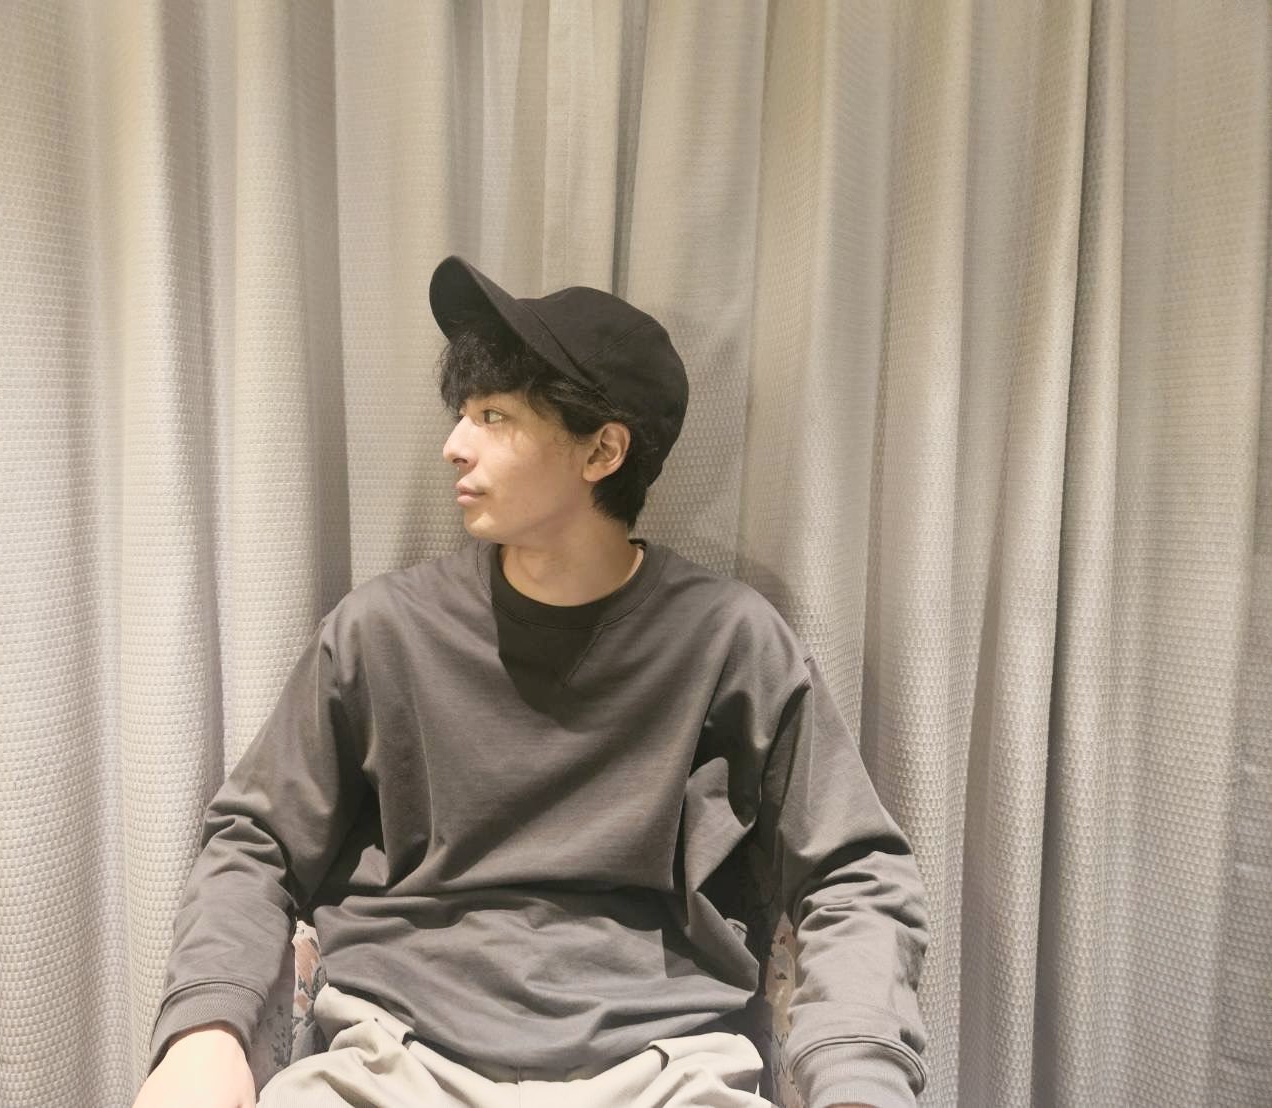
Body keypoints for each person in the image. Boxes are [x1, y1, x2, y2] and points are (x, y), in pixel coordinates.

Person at [131, 256, 929, 1108]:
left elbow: (853, 871)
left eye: (493, 416)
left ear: (602, 450)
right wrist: (205, 1031)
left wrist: (859, 1075)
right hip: (390, 1055)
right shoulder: (382, 630)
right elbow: (253, 842)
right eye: (462, 413)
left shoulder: (729, 640)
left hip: (663, 1066)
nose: (454, 444)